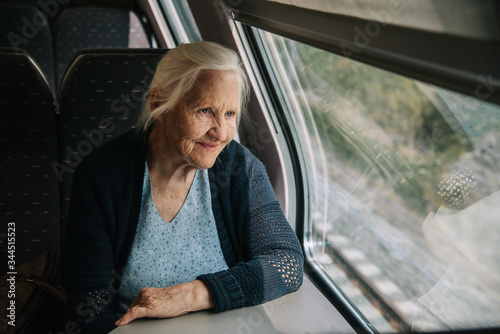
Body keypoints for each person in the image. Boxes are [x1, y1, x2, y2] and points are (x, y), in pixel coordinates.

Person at [65, 41, 304, 333]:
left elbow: (287, 262)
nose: (220, 132)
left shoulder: (241, 168)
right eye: (205, 110)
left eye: (229, 114)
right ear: (159, 105)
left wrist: (192, 294)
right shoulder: (101, 176)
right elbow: (89, 307)